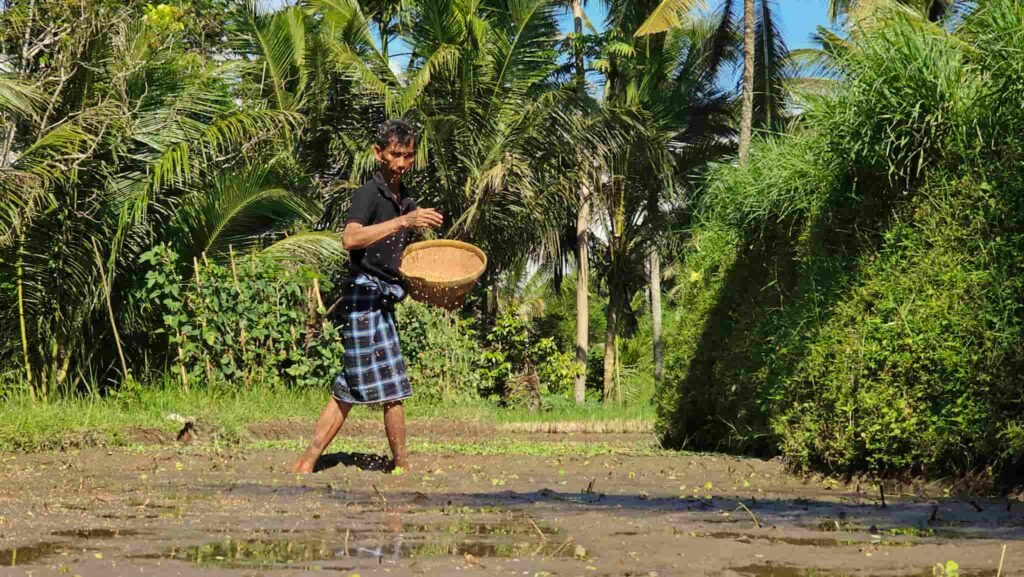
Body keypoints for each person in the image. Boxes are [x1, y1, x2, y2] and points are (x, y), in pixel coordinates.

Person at [292, 119, 443, 474]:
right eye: (395, 154)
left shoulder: (406, 200)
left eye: (408, 156)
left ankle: (313, 463)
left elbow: (400, 261)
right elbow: (351, 239)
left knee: (370, 385)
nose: (401, 163)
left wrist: (429, 287)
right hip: (362, 300)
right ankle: (395, 465)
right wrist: (403, 223)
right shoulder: (368, 194)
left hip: (383, 301)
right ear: (378, 154)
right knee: (373, 384)